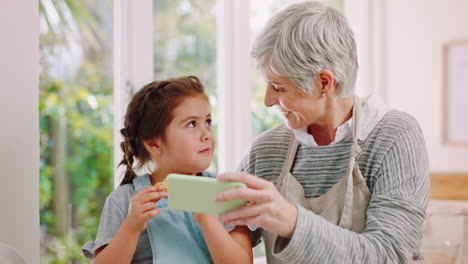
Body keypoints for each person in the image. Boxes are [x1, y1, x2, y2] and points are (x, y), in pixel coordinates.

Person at [214, 1, 429, 263]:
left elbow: (391, 255)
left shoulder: (394, 137)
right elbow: (222, 237)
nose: (268, 101)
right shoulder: (267, 150)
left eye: (278, 88)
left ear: (324, 83)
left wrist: (292, 221)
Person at [81, 76, 253, 263]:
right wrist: (131, 227)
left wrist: (207, 218)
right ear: (154, 144)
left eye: (208, 122)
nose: (206, 134)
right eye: (191, 124)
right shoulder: (123, 201)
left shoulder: (226, 193)